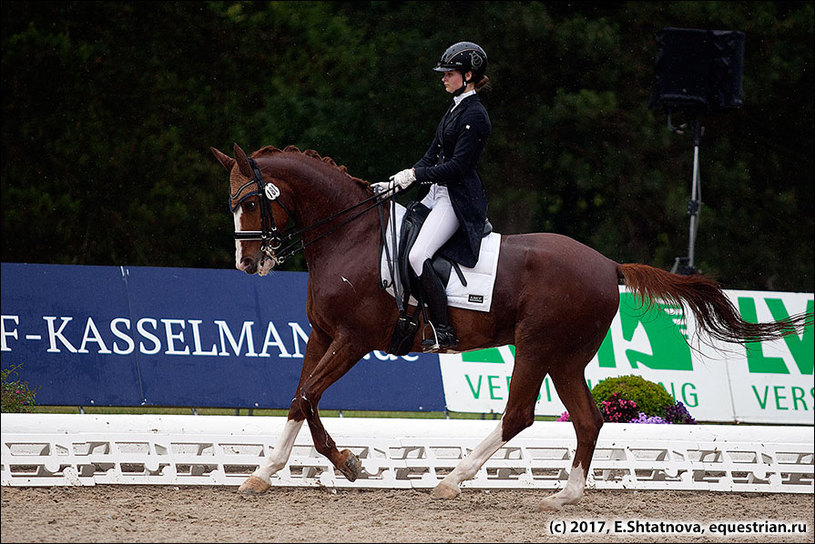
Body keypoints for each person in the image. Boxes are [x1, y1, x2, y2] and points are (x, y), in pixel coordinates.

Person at [374, 41, 492, 352]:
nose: (443, 78)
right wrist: (397, 182)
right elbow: (431, 157)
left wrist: (415, 176)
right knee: (398, 239)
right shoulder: (454, 108)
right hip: (436, 194)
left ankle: (444, 331)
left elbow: (457, 167)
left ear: (467, 75)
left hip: (457, 200)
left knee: (417, 255)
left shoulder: (475, 114)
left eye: (448, 73)